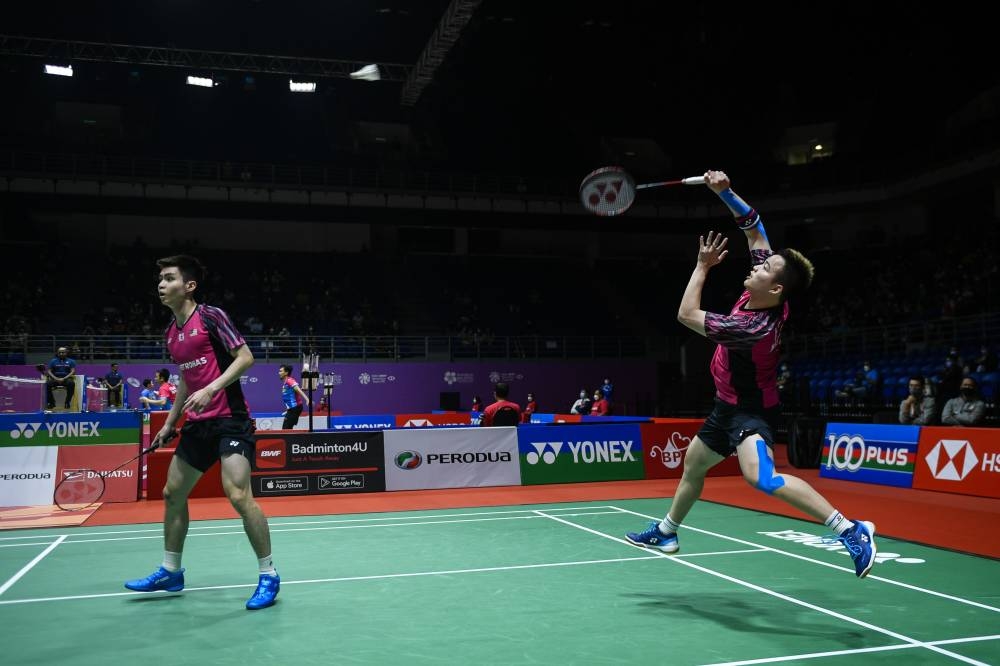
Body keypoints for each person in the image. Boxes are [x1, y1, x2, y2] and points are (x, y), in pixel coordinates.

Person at [624, 170, 877, 579]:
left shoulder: (752, 328)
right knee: (693, 464)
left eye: (765, 269)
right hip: (727, 404)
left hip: (751, 410)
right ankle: (667, 532)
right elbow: (754, 228)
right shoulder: (763, 290)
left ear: (775, 289)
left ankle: (850, 530)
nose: (757, 265)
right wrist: (726, 193)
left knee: (762, 478)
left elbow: (685, 315)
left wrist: (703, 266)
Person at [124, 255, 279, 610]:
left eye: (169, 278)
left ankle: (268, 574)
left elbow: (245, 358)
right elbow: (185, 379)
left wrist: (212, 388)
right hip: (197, 424)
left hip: (230, 419)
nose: (161, 285)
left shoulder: (211, 316)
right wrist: (169, 422)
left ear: (189, 286)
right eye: (159, 279)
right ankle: (171, 570)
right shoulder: (171, 333)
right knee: (172, 493)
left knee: (238, 495)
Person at [44, 346, 77, 411]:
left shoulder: (71, 361)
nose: (61, 354)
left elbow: (73, 371)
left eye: (63, 352)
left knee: (71, 383)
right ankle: (51, 403)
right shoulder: (53, 361)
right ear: (58, 353)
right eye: (60, 352)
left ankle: (67, 402)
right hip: (55, 379)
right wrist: (56, 378)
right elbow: (49, 371)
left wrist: (64, 378)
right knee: (47, 384)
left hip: (66, 379)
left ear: (66, 353)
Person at [279, 364, 310, 429]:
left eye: (281, 371)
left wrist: (307, 399)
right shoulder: (286, 383)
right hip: (292, 409)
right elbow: (289, 397)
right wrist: (288, 409)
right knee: (287, 428)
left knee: (286, 429)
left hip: (295, 408)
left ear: (286, 373)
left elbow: (298, 389)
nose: (279, 373)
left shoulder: (289, 381)